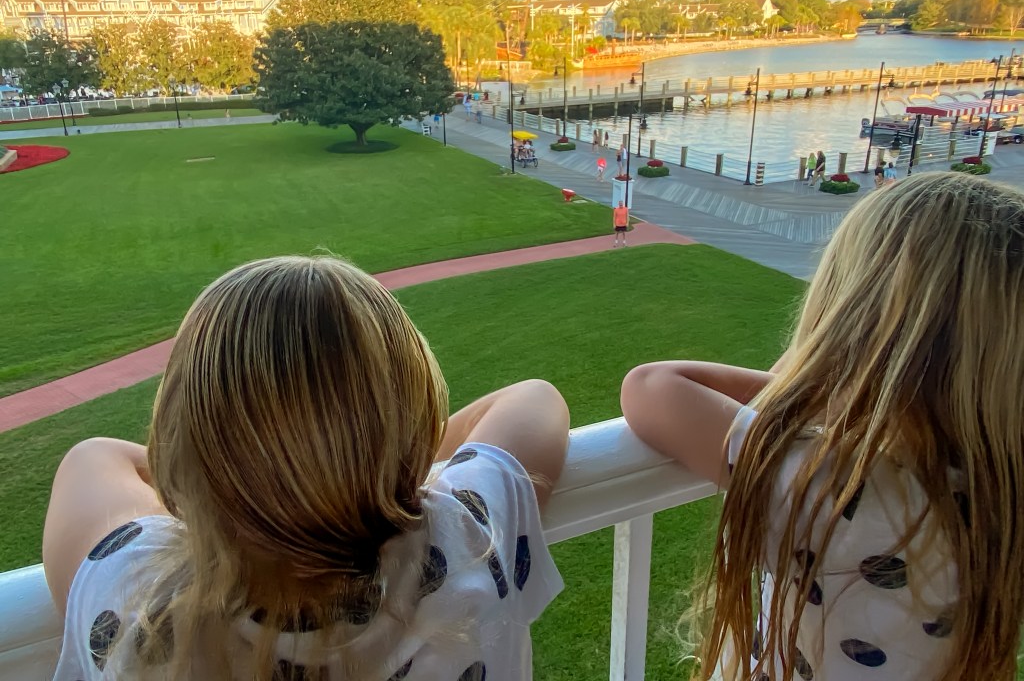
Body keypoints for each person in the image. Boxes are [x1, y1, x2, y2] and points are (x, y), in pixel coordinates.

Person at [44, 256, 570, 681]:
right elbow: (535, 402)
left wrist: (221, 477)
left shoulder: (138, 606)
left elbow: (94, 458)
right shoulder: (466, 541)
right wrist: (381, 468)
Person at [621, 173, 1024, 681]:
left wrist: (819, 368)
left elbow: (649, 388)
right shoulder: (1002, 500)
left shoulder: (831, 490)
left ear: (853, 330)